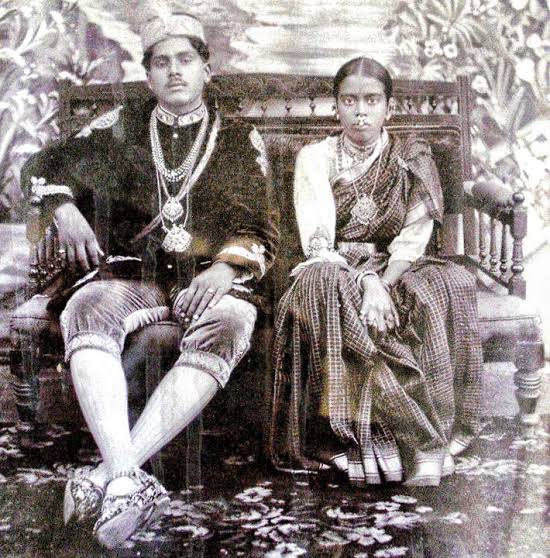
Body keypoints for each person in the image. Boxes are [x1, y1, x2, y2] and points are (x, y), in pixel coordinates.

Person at [20, 6, 279, 549]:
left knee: (232, 321)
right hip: (135, 272)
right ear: (148, 74)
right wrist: (64, 208)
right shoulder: (122, 127)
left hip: (209, 276)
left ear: (206, 69)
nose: (174, 71)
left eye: (185, 60)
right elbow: (40, 166)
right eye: (161, 62)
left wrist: (225, 266)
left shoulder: (237, 137)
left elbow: (261, 222)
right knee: (86, 307)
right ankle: (126, 478)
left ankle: (109, 476)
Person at [269, 57, 482, 487]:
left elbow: (412, 240)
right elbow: (318, 240)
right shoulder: (315, 157)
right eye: (349, 101)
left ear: (389, 106)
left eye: (371, 100)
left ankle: (414, 433)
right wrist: (366, 282)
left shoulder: (411, 158)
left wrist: (382, 283)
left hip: (395, 265)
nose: (360, 112)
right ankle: (412, 439)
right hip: (332, 265)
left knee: (451, 282)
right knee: (323, 283)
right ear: (336, 107)